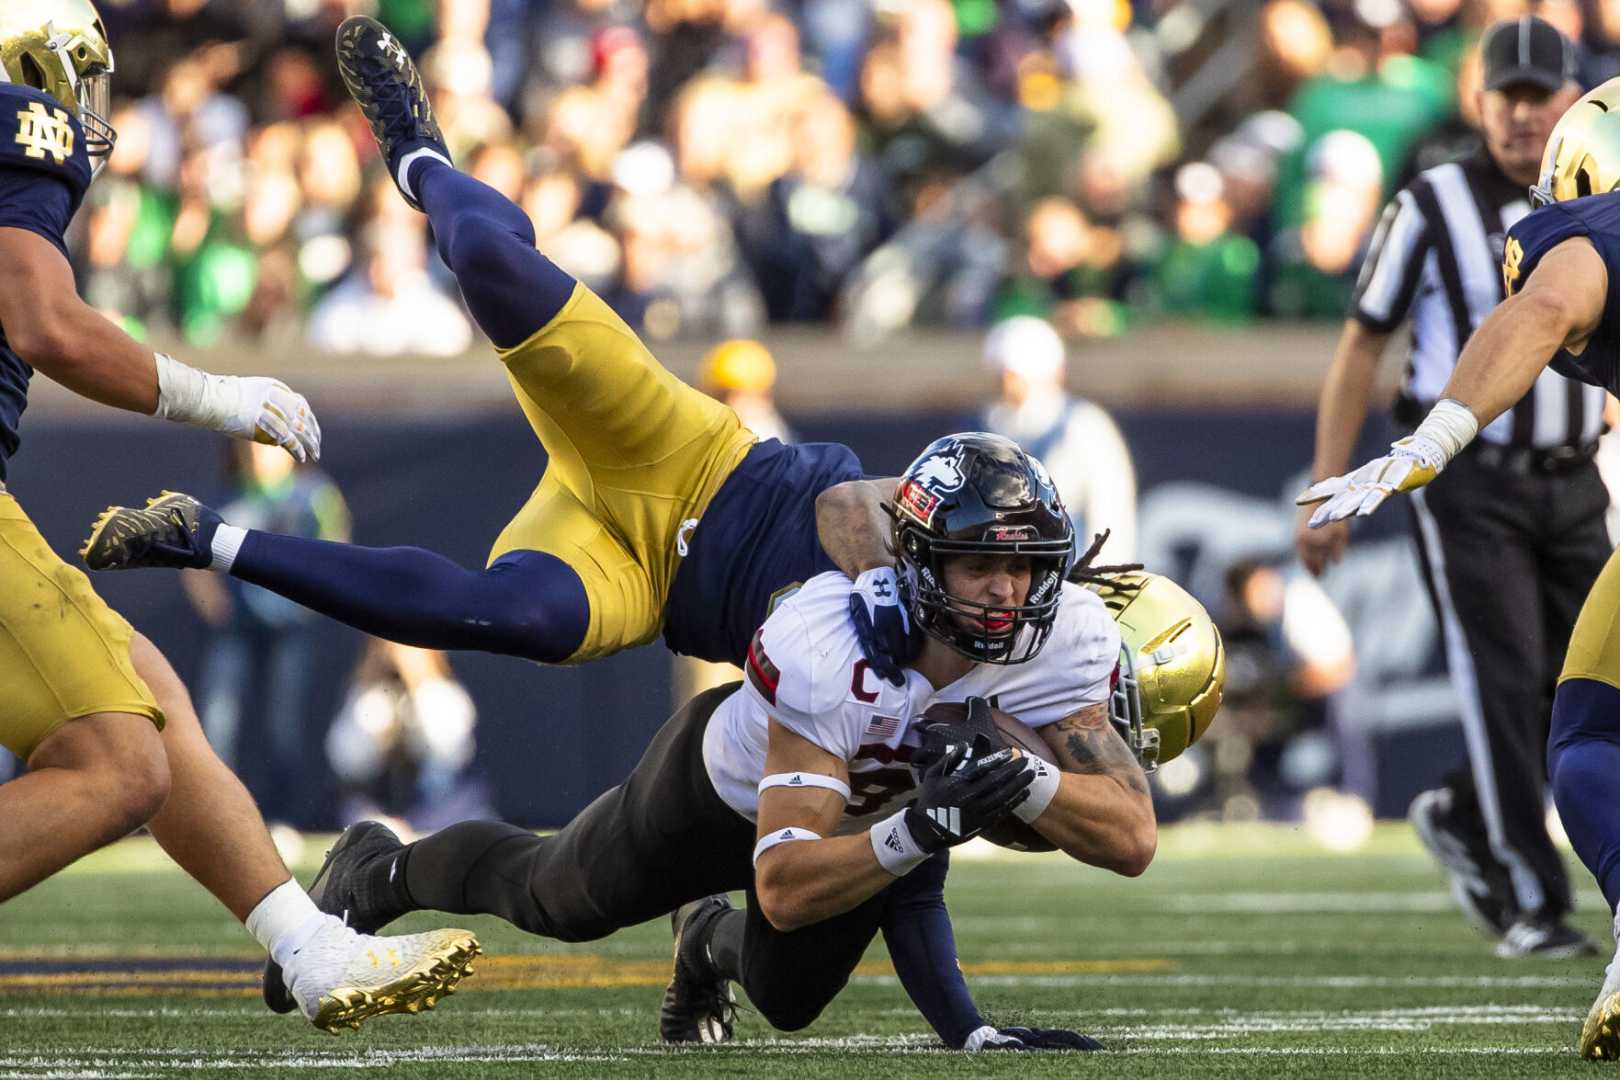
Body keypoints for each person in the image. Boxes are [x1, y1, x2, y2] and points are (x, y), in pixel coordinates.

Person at [82, 14, 916, 691]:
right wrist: (889, 589)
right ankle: (420, 162)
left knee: (514, 617)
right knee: (486, 263)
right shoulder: (955, 562)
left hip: (656, 585)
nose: (995, 598)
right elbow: (858, 505)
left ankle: (212, 538)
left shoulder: (964, 700)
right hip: (694, 460)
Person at [253, 434, 1157, 1050]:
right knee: (557, 897)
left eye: (1025, 567)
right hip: (718, 789)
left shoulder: (1065, 637)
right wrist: (927, 822)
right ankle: (382, 870)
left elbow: (1128, 837)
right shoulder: (829, 639)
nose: (1007, 591)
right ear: (917, 563)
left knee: (788, 1000)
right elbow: (792, 878)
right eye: (981, 565)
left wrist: (1019, 785)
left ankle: (702, 942)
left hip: (853, 817)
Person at [0, 0, 476, 1031]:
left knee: (147, 691)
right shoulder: (17, 122)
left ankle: (308, 947)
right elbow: (42, 319)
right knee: (122, 765)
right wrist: (211, 394)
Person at [1299, 74, 1620, 1060]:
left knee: (1589, 731)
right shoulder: (1442, 202)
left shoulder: (1589, 226)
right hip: (1534, 497)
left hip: (1531, 478)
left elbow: (1541, 310)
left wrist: (1435, 436)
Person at [182, 441, 350, 810]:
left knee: (283, 721)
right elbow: (191, 556)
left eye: (268, 447)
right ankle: (214, 808)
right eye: (250, 448)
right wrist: (214, 604)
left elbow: (339, 548)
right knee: (218, 717)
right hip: (234, 627)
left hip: (290, 627)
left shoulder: (316, 494)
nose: (257, 455)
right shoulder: (224, 494)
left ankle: (282, 814)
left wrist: (311, 601)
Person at [980, 316, 1137, 562]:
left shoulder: (1084, 426)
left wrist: (1095, 584)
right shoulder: (988, 425)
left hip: (1067, 576)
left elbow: (1110, 512)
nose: (1007, 384)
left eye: (1014, 375)